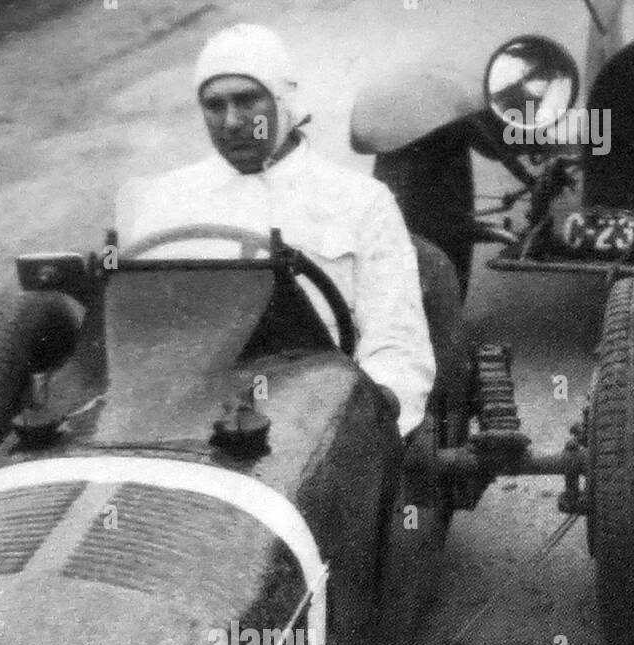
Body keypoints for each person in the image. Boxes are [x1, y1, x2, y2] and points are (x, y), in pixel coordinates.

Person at [116, 23, 436, 439]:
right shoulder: (163, 198)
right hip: (186, 413)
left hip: (317, 414)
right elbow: (135, 338)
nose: (231, 121)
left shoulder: (361, 201)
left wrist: (364, 423)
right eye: (214, 105)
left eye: (248, 100)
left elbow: (396, 343)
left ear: (283, 102)